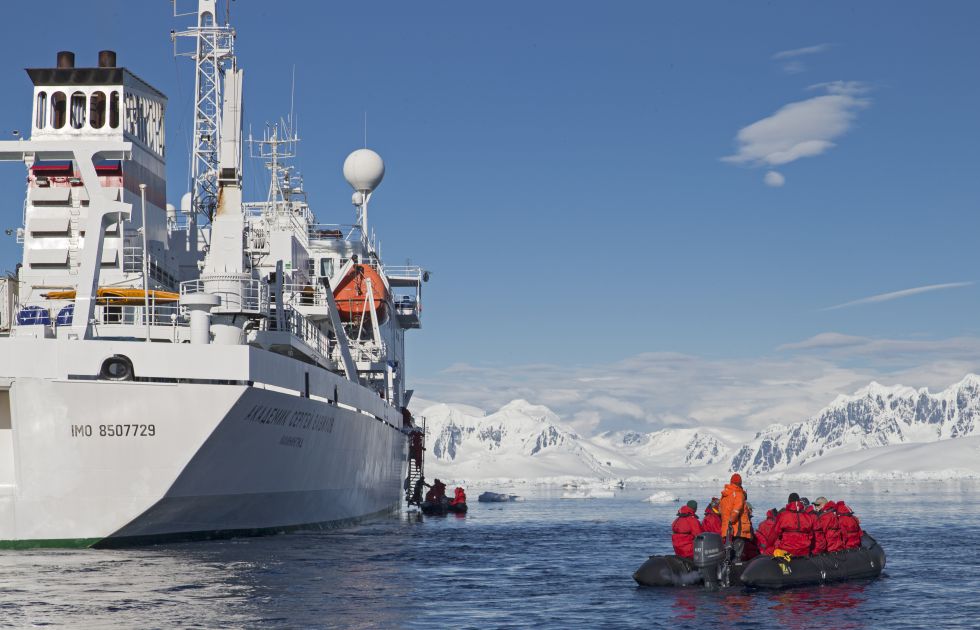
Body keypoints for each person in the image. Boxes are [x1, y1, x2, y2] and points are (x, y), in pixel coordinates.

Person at [719, 473, 753, 560]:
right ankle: (735, 572)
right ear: (740, 483)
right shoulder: (738, 494)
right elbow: (736, 510)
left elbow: (720, 510)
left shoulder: (725, 495)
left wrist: (727, 523)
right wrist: (731, 520)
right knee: (737, 555)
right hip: (737, 529)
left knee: (728, 555)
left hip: (727, 530)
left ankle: (726, 571)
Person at [773, 492, 817, 556]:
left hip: (786, 550)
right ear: (799, 501)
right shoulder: (807, 516)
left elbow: (776, 532)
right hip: (804, 551)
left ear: (788, 502)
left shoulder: (783, 516)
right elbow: (811, 535)